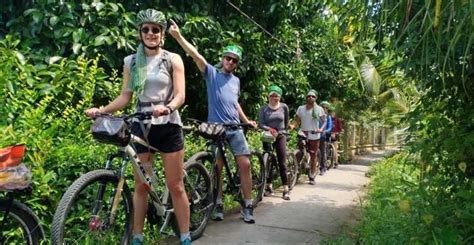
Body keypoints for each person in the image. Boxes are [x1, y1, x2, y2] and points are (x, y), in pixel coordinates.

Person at [85, 9, 191, 245]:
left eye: (155, 29)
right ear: (140, 33)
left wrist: (168, 107)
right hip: (141, 126)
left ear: (162, 34)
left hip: (168, 125)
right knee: (142, 185)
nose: (151, 33)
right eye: (146, 29)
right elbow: (125, 97)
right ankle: (137, 236)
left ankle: (185, 235)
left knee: (175, 185)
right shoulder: (131, 61)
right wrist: (101, 111)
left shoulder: (172, 59)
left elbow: (181, 95)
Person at [169, 20, 257, 224]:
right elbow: (196, 56)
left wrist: (247, 121)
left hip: (235, 129)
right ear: (222, 59)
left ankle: (248, 203)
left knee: (244, 164)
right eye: (228, 58)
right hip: (216, 129)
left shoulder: (236, 81)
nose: (231, 62)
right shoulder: (212, 73)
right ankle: (217, 204)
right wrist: (178, 37)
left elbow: (235, 104)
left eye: (235, 61)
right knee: (216, 168)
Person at [258, 85, 291, 200]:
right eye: (272, 95)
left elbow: (286, 121)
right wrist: (269, 129)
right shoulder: (263, 109)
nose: (274, 97)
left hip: (280, 135)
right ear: (268, 96)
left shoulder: (284, 107)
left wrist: (283, 131)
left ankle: (286, 188)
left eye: (276, 96)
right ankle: (268, 186)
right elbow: (260, 124)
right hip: (268, 135)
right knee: (269, 161)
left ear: (279, 97)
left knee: (282, 162)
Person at [290, 89, 326, 185]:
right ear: (306, 98)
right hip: (303, 132)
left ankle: (312, 175)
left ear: (316, 98)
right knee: (299, 151)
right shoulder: (301, 108)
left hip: (314, 134)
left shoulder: (319, 109)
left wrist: (321, 129)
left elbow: (324, 121)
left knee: (313, 155)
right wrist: (293, 126)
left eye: (313, 96)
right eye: (309, 96)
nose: (311, 98)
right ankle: (295, 171)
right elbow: (297, 120)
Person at [318, 101, 333, 175]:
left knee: (323, 152)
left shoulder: (328, 117)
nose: (324, 108)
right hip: (314, 135)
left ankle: (323, 168)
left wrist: (325, 131)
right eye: (323, 107)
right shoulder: (316, 115)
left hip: (323, 136)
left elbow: (329, 127)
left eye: (326, 108)